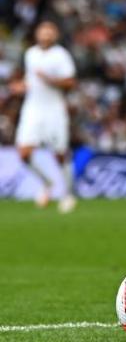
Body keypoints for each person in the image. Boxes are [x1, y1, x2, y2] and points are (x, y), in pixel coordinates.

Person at [11, 21, 78, 213]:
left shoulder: (61, 55)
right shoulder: (30, 54)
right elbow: (30, 81)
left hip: (54, 110)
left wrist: (49, 80)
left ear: (55, 35)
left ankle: (67, 194)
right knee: (23, 154)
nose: (46, 35)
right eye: (43, 31)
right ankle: (47, 183)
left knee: (59, 154)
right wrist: (21, 87)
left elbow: (70, 82)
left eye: (49, 32)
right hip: (32, 109)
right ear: (37, 34)